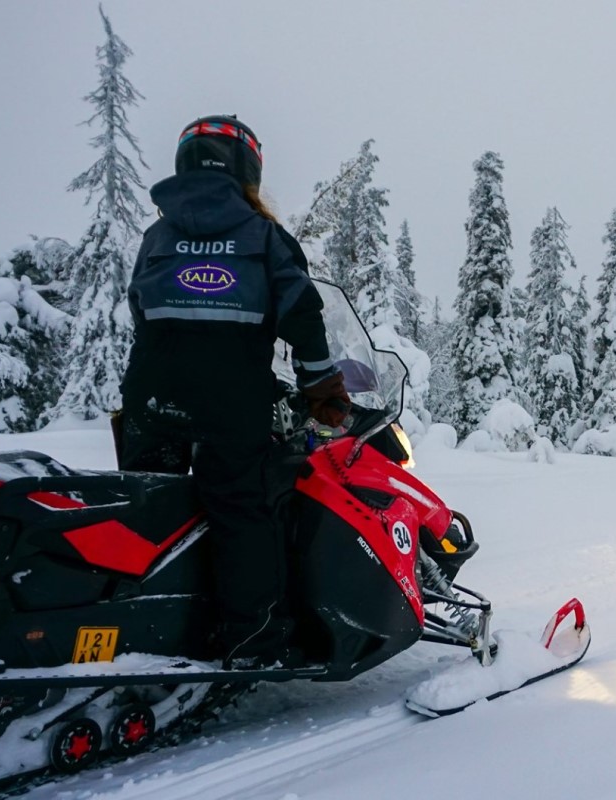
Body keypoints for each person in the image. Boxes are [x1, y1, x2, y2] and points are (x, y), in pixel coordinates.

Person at [120, 115, 350, 667]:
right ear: (247, 169)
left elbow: (141, 315)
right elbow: (303, 317)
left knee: (151, 514)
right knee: (243, 513)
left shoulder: (158, 237)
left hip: (150, 404)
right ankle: (254, 642)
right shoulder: (262, 236)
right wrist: (324, 394)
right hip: (230, 404)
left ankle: (139, 626)